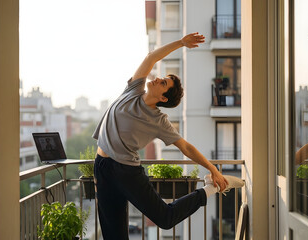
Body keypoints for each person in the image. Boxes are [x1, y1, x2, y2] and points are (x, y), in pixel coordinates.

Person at [92, 32, 244, 239]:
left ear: (163, 97)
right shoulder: (133, 90)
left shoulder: (159, 121)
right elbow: (151, 57)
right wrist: (181, 43)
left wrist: (212, 169)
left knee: (165, 218)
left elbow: (186, 147)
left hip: (125, 171)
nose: (157, 78)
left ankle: (209, 189)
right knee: (113, 235)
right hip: (101, 165)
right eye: (162, 78)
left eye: (163, 82)